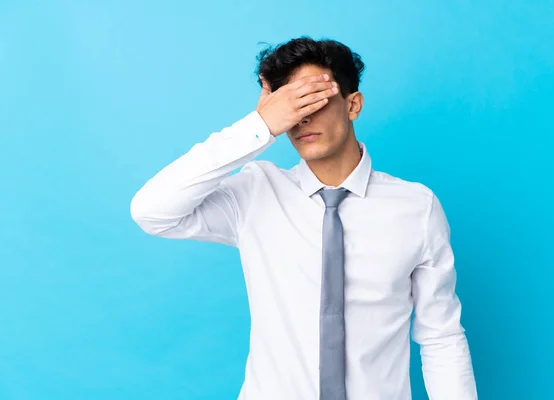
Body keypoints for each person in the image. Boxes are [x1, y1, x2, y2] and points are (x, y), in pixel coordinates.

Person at [130, 36, 477, 400]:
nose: (303, 117)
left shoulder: (416, 207)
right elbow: (151, 211)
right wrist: (259, 126)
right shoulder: (255, 194)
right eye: (293, 105)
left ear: (353, 104)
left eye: (314, 99)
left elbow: (442, 337)